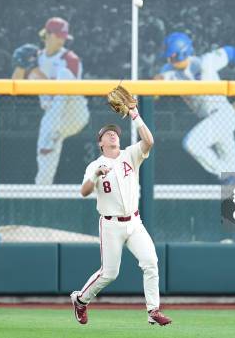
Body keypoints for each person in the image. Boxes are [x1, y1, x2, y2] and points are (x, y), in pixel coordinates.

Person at [70, 106, 172, 326]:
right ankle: (80, 299)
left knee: (150, 262)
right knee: (109, 274)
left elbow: (149, 141)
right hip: (110, 225)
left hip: (134, 222)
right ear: (101, 143)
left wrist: (135, 114)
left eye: (114, 131)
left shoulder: (130, 155)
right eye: (107, 133)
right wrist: (96, 175)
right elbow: (84, 191)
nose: (113, 133)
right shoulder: (95, 166)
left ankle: (153, 310)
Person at [154, 32, 235, 185]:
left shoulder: (204, 62)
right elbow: (157, 84)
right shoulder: (167, 71)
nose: (169, 59)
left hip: (222, 115)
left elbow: (231, 52)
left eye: (173, 56)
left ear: (184, 53)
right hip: (210, 119)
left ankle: (226, 175)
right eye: (168, 56)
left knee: (192, 143)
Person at [11, 17, 90, 185]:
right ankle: (42, 193)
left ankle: (53, 133)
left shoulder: (71, 59)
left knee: (63, 74)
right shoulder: (37, 58)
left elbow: (69, 90)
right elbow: (15, 84)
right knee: (45, 158)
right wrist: (20, 66)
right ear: (47, 35)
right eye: (58, 35)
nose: (62, 40)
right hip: (52, 114)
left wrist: (39, 75)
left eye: (64, 37)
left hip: (74, 112)